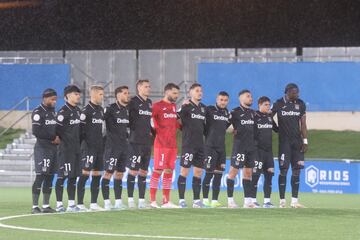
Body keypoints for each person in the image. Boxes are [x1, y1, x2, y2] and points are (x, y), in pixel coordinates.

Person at [272, 83, 308, 208]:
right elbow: (268, 117)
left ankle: (294, 201)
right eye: (294, 92)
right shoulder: (278, 104)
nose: (297, 94)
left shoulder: (301, 104)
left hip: (297, 142)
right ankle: (282, 200)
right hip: (284, 143)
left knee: (297, 170)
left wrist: (305, 141)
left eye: (297, 92)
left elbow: (303, 124)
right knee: (284, 170)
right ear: (287, 92)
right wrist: (275, 128)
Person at [149, 83, 180, 208]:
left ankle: (166, 201)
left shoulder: (173, 106)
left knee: (169, 171)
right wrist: (154, 131)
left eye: (177, 93)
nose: (176, 96)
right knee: (158, 170)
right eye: (174, 93)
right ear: (167, 92)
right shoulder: (157, 106)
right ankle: (152, 201)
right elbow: (149, 120)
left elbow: (176, 123)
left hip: (172, 145)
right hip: (161, 144)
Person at [177, 83, 206, 208]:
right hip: (188, 144)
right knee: (184, 171)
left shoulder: (204, 109)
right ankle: (181, 200)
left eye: (201, 91)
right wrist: (181, 107)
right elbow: (176, 118)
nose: (199, 93)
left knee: (198, 172)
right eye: (197, 90)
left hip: (200, 145)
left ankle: (196, 201)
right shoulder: (186, 107)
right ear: (190, 93)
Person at [101, 86, 130, 210]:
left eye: (128, 93)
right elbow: (100, 120)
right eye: (125, 93)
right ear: (118, 95)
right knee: (108, 173)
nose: (127, 95)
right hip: (112, 147)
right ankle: (107, 203)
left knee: (119, 174)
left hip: (123, 147)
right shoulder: (110, 109)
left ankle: (118, 202)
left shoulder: (126, 110)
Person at [227, 89, 257, 208]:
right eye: (248, 96)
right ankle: (230, 201)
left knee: (248, 173)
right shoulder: (235, 112)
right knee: (233, 172)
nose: (251, 98)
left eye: (251, 96)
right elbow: (224, 124)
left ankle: (248, 201)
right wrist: (231, 130)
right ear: (241, 98)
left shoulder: (253, 113)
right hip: (239, 146)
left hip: (251, 147)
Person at [77, 85, 105, 211]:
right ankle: (80, 203)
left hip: (99, 148)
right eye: (100, 94)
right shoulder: (85, 111)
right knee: (85, 174)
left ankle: (93, 203)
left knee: (97, 174)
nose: (102, 97)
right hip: (88, 147)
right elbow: (80, 130)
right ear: (93, 95)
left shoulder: (100, 110)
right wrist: (84, 145)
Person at [31, 88, 59, 214]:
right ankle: (35, 206)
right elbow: (36, 132)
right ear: (45, 98)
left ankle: (46, 205)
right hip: (43, 149)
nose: (54, 102)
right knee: (41, 176)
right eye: (52, 99)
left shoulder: (53, 112)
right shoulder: (38, 112)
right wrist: (53, 137)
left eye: (55, 99)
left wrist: (59, 137)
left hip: (54, 149)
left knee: (50, 177)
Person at [55, 85, 82, 212]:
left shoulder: (78, 111)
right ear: (68, 96)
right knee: (62, 176)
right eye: (75, 94)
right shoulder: (62, 112)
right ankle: (59, 204)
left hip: (76, 150)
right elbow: (56, 131)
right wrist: (64, 144)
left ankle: (71, 204)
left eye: (78, 94)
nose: (78, 96)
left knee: (73, 177)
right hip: (65, 150)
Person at [202, 91, 231, 208]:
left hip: (221, 148)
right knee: (209, 174)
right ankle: (204, 200)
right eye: (221, 100)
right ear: (217, 100)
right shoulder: (209, 109)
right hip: (210, 147)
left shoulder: (227, 113)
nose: (223, 102)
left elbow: (226, 127)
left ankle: (214, 200)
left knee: (218, 175)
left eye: (225, 100)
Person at [127, 79, 153, 209]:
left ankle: (142, 200)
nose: (148, 88)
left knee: (143, 172)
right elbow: (127, 119)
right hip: (135, 142)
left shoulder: (149, 103)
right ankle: (131, 200)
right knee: (133, 171)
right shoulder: (132, 102)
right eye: (146, 86)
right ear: (139, 88)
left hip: (147, 143)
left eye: (149, 86)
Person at [251, 96, 277, 208]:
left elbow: (277, 129)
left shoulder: (270, 118)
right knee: (256, 175)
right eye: (265, 105)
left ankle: (267, 201)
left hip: (268, 151)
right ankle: (252, 200)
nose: (268, 107)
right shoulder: (254, 116)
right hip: (257, 151)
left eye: (269, 105)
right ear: (259, 105)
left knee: (269, 174)